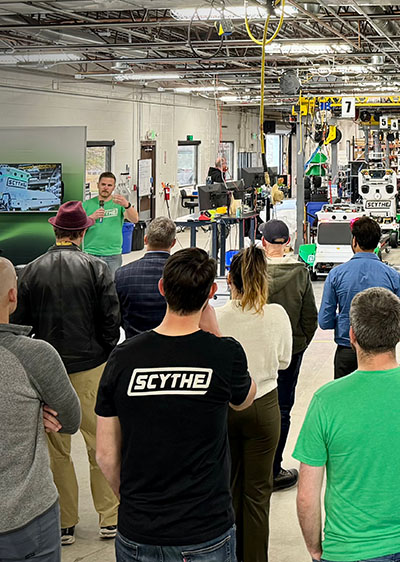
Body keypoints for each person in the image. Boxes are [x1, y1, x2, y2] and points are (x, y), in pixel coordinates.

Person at [95, 247, 256, 562]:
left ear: (162, 288)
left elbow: (104, 455)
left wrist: (132, 504)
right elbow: (244, 399)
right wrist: (216, 335)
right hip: (204, 532)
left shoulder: (123, 357)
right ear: (211, 292)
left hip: (137, 532)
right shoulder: (225, 354)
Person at [294, 287, 400, 562]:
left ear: (352, 336)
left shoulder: (326, 401)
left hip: (348, 549)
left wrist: (315, 548)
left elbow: (307, 496)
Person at [11, 201, 120, 545]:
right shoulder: (97, 268)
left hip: (46, 372)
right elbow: (111, 323)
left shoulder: (29, 271)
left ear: (55, 230)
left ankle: (66, 523)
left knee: (57, 448)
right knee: (97, 444)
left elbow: (20, 324)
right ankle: (110, 518)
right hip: (90, 368)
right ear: (83, 232)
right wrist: (101, 352)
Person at [0, 256, 82, 562]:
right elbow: (70, 419)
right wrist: (38, 407)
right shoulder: (36, 356)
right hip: (28, 519)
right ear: (13, 296)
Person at [215, 246, 292, 562]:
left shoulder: (218, 317)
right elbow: (285, 360)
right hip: (264, 406)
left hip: (226, 408)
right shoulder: (276, 315)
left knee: (230, 488)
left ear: (229, 280)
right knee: (258, 493)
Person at [261, 219, 318, 491]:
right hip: (289, 350)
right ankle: (274, 469)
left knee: (250, 404)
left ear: (263, 242)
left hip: (255, 349)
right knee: (282, 408)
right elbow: (310, 316)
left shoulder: (252, 271)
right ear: (288, 243)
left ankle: (251, 468)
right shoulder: (300, 272)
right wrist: (300, 344)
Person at [319, 216, 400, 379]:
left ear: (354, 241)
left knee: (346, 400)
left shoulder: (336, 275)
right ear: (377, 243)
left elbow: (325, 321)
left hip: (347, 350)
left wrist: (343, 320)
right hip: (383, 355)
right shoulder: (392, 276)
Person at [115, 216, 176, 339]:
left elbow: (116, 316)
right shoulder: (183, 274)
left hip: (134, 347)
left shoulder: (122, 274)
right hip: (176, 347)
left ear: (145, 240)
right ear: (173, 243)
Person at [81, 171, 138, 274]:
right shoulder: (86, 205)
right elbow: (78, 228)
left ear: (113, 187)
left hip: (113, 254)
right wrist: (91, 218)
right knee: (91, 287)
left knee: (111, 287)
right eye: (103, 184)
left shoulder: (119, 204)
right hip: (91, 253)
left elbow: (135, 219)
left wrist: (127, 205)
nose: (106, 188)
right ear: (98, 185)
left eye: (109, 185)